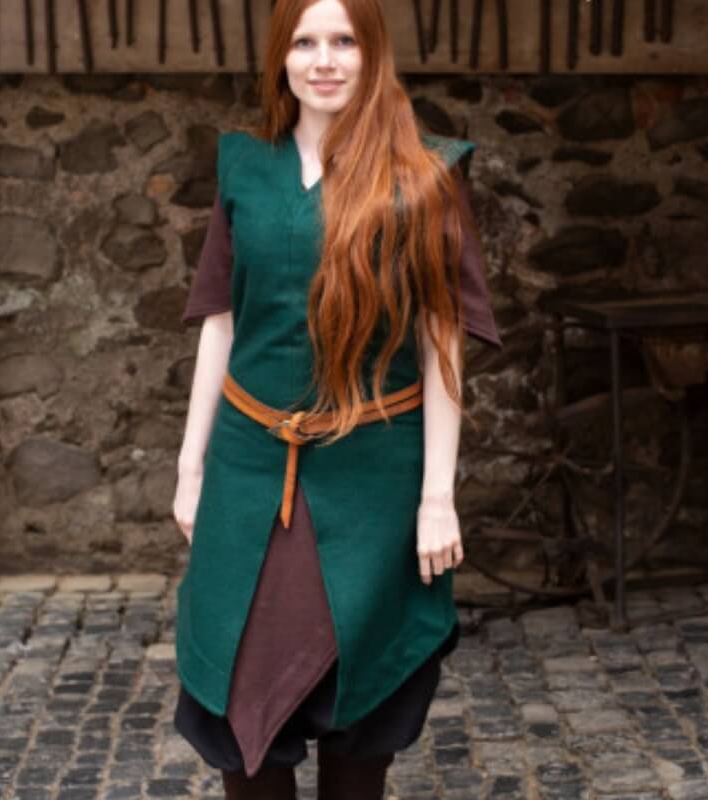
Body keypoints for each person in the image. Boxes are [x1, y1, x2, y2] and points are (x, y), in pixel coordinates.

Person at [171, 0, 502, 797]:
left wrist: (437, 497)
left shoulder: (425, 176)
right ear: (281, 58)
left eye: (344, 41)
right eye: (305, 42)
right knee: (241, 708)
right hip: (249, 469)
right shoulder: (244, 168)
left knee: (362, 701)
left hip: (373, 476)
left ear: (373, 52)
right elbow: (220, 323)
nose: (324, 61)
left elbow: (442, 342)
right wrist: (190, 468)